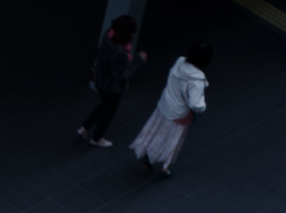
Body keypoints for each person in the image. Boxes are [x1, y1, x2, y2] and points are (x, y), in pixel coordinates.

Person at [128, 42, 212, 178]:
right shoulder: (197, 80)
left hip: (164, 104)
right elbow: (196, 104)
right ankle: (164, 168)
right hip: (179, 114)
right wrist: (203, 106)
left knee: (155, 129)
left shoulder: (180, 61)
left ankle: (143, 152)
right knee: (172, 140)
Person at [78, 16, 148, 147]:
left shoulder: (108, 35)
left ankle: (84, 128)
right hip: (111, 87)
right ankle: (96, 139)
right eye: (132, 32)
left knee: (104, 104)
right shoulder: (119, 52)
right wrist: (138, 60)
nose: (133, 35)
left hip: (100, 79)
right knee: (108, 112)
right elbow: (122, 75)